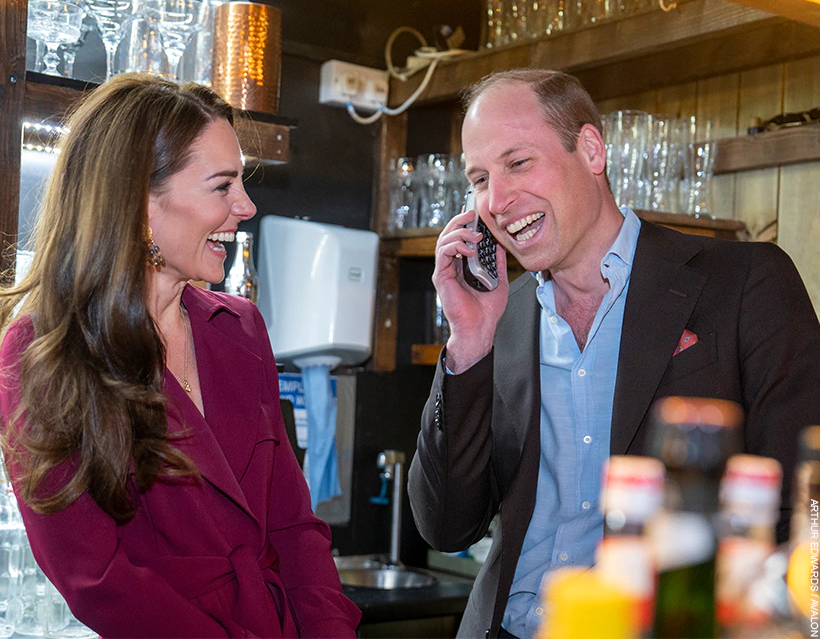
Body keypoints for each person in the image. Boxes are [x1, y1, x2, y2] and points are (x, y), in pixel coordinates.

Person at [407, 68, 820, 639]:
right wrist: (469, 342)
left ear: (591, 149)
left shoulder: (745, 281)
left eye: (518, 163)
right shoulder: (498, 317)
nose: (496, 201)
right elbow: (445, 525)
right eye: (479, 178)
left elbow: (808, 510)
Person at [0, 73, 361, 638]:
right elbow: (96, 580)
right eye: (222, 186)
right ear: (139, 202)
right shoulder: (40, 354)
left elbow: (295, 524)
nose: (246, 206)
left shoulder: (240, 328)